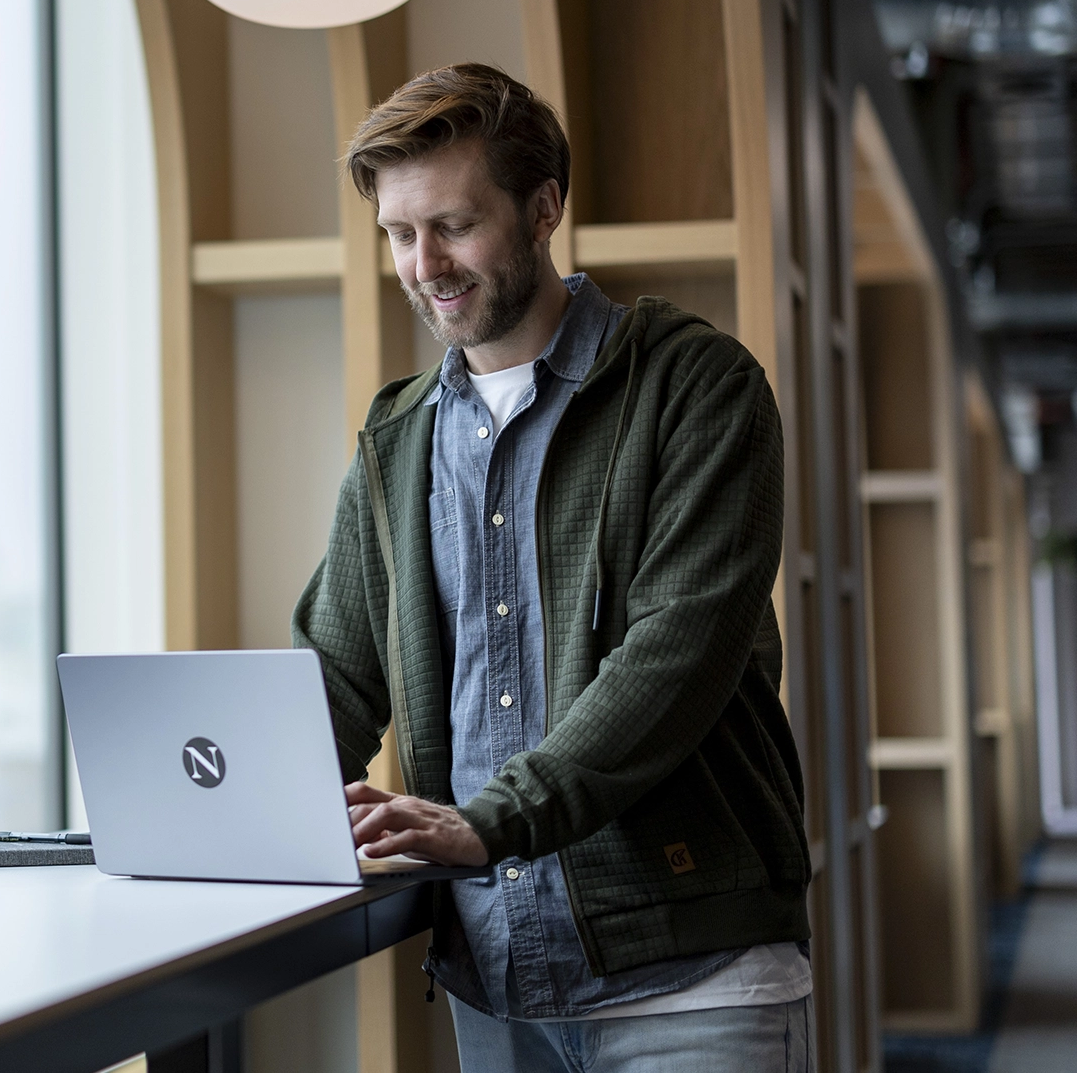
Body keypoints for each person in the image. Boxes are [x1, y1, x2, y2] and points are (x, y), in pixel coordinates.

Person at [292, 63, 815, 1071]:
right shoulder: (396, 439)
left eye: (453, 224)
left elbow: (676, 661)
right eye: (400, 234)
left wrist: (492, 824)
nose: (424, 264)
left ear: (544, 209)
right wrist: (235, 807)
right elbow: (338, 678)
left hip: (688, 978)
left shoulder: (694, 388)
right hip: (496, 983)